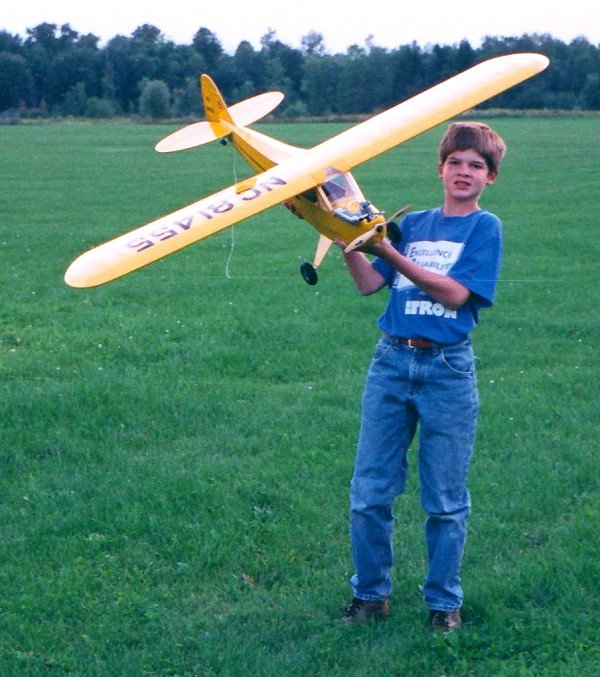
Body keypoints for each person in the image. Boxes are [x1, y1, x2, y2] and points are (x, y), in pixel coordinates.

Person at [338, 121, 506, 632]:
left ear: (489, 178)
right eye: (455, 162)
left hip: (447, 369)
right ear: (440, 169)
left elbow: (456, 295)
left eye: (475, 166)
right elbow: (371, 284)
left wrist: (386, 249)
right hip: (390, 362)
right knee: (369, 492)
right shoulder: (413, 224)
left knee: (445, 500)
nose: (463, 171)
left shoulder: (485, 228)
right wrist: (345, 238)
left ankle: (443, 605)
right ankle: (369, 598)